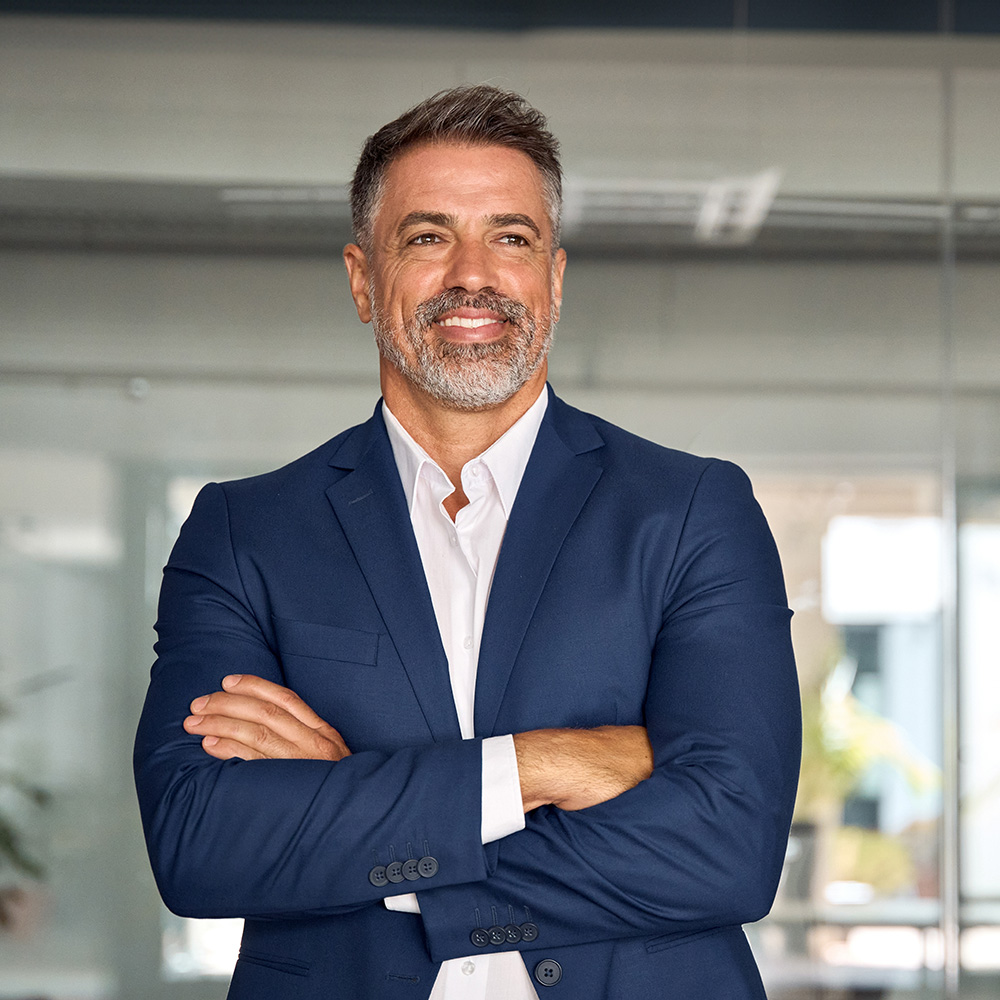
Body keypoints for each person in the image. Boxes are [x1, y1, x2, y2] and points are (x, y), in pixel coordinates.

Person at [134, 85, 800, 1000]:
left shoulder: (691, 512)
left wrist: (360, 810)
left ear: (554, 280)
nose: (473, 275)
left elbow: (730, 848)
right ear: (363, 280)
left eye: (511, 238)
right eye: (427, 237)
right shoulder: (246, 531)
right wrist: (535, 766)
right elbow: (200, 843)